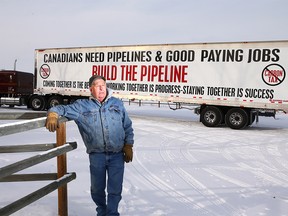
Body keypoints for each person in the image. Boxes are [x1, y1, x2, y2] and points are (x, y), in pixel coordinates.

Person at [45, 75, 134, 216]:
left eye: (103, 85)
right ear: (91, 89)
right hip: (97, 156)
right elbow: (61, 108)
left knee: (115, 189)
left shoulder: (117, 104)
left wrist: (128, 145)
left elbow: (127, 126)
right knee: (97, 190)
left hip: (117, 155)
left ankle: (112, 213)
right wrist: (52, 114)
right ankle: (101, 211)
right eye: (97, 86)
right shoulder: (82, 106)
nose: (101, 88)